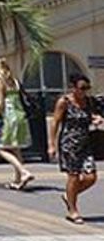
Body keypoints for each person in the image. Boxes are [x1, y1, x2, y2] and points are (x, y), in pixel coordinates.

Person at [49, 73, 103, 224]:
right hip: (69, 144)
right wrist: (51, 144)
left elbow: (90, 115)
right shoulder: (64, 102)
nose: (85, 91)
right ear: (73, 88)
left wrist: (96, 118)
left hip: (85, 144)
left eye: (87, 88)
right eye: (82, 88)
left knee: (91, 177)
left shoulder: (88, 101)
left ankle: (69, 195)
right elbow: (55, 122)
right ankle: (73, 211)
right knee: (73, 176)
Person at [0, 58, 35, 190]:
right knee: (15, 148)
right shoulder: (15, 81)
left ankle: (24, 172)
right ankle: (17, 180)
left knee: (1, 148)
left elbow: (0, 103)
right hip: (21, 116)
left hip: (10, 116)